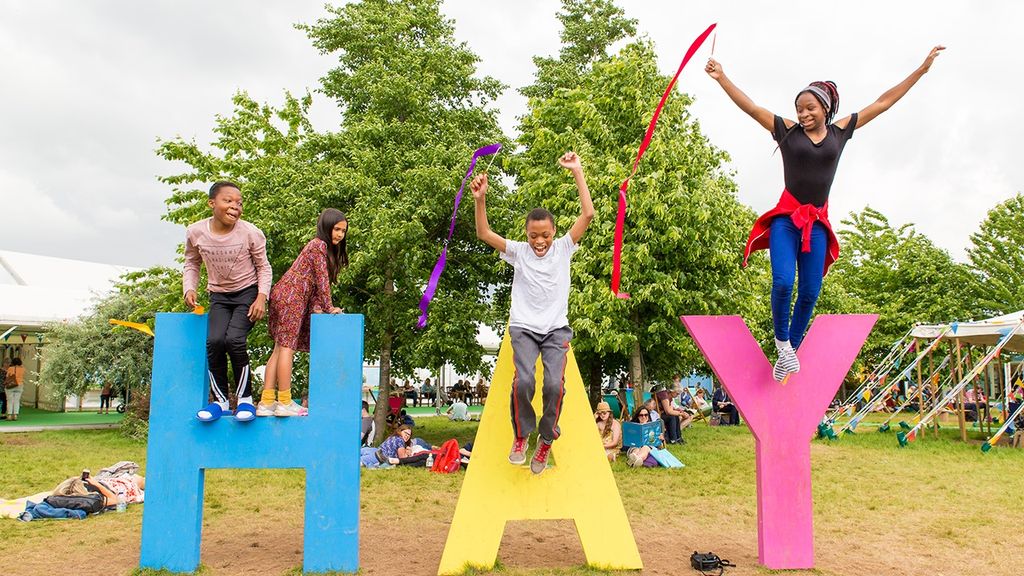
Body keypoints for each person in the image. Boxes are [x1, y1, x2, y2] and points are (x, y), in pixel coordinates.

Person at [705, 46, 945, 382]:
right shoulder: (786, 131)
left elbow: (882, 102)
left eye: (809, 108)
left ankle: (790, 350)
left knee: (810, 292)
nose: (803, 114)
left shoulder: (840, 132)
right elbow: (752, 107)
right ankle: (782, 343)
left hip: (816, 224)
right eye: (799, 108)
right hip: (786, 222)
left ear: (825, 108)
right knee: (784, 282)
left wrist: (920, 70)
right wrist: (721, 78)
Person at [472, 151, 594, 475]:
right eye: (533, 236)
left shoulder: (566, 247)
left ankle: (546, 439)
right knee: (524, 381)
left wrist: (577, 172)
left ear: (554, 232)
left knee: (554, 385)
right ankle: (521, 435)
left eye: (545, 235)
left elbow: (589, 214)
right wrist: (480, 200)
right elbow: (484, 234)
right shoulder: (519, 252)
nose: (539, 241)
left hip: (556, 330)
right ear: (526, 234)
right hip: (524, 328)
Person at [183, 180, 272, 422]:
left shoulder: (250, 233)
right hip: (219, 296)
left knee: (234, 339)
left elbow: (264, 267)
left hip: (248, 293)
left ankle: (245, 400)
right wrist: (189, 288)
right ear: (212, 203)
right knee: (214, 341)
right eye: (229, 201)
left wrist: (261, 298)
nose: (235, 206)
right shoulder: (196, 232)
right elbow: (192, 262)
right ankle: (220, 402)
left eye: (239, 203)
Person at [257, 208, 348, 417]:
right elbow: (322, 281)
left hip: (284, 293)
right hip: (292, 296)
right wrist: (328, 306)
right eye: (336, 229)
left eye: (343, 231)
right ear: (325, 227)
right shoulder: (318, 245)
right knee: (287, 348)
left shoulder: (319, 247)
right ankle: (285, 401)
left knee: (279, 349)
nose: (340, 235)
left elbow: (316, 284)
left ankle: (266, 401)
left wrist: (317, 307)